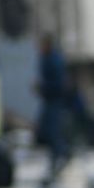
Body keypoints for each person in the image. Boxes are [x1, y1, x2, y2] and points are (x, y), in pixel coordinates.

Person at [36, 33, 74, 177]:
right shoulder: (47, 59)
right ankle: (57, 158)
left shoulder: (54, 60)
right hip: (49, 99)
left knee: (53, 131)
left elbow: (59, 83)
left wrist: (43, 87)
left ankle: (61, 155)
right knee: (47, 131)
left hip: (54, 100)